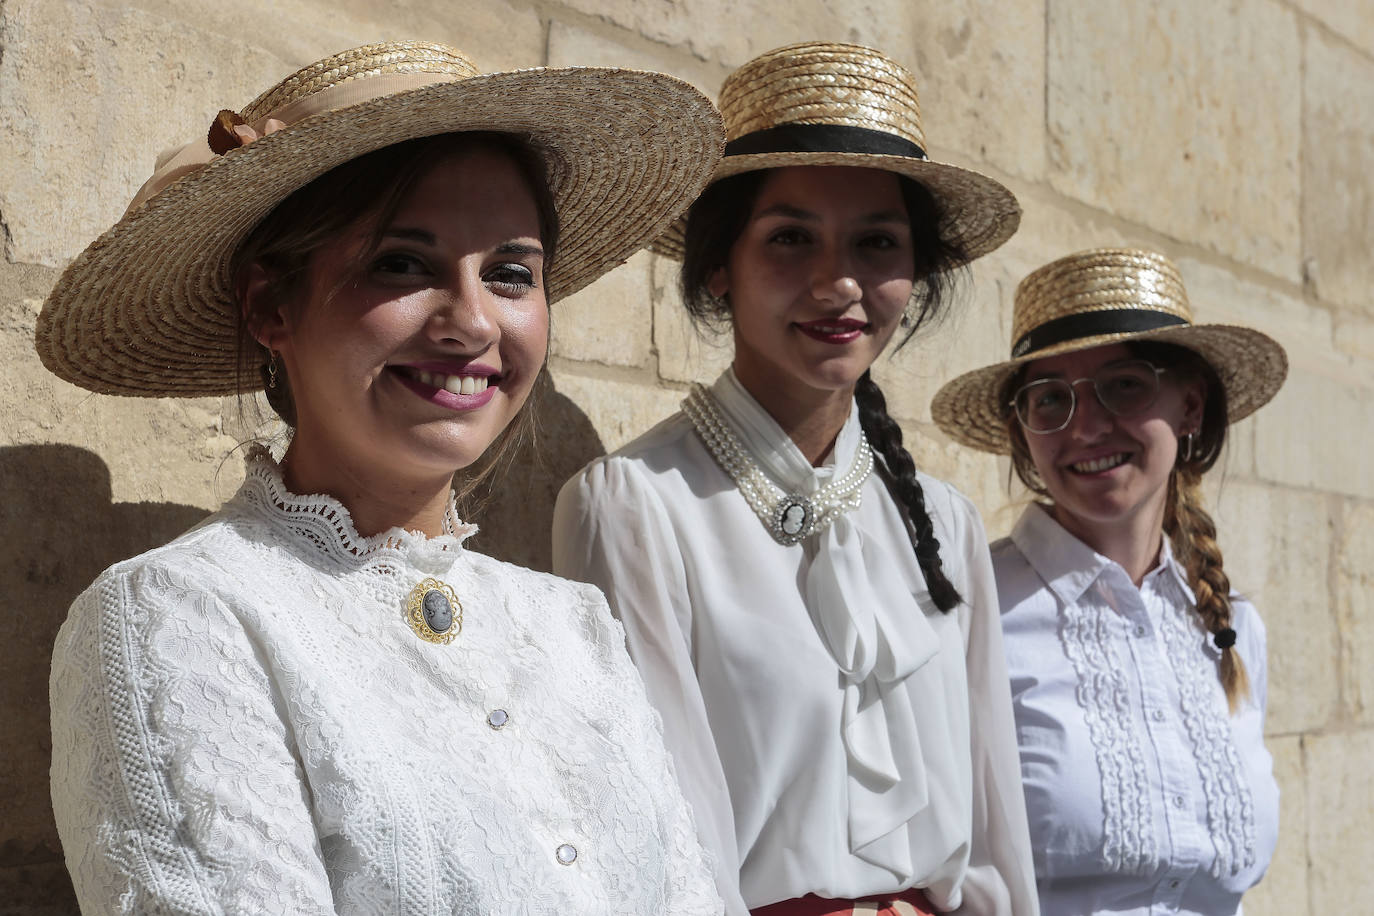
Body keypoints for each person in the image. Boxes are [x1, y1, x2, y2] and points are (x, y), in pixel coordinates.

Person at [39, 40, 728, 915]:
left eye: (511, 274)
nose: (474, 322)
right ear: (270, 305)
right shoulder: (177, 616)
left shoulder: (572, 629)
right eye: (403, 263)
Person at [553, 41, 1038, 916]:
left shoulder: (946, 524)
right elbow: (664, 845)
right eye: (790, 238)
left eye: (876, 242)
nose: (838, 280)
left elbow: (998, 839)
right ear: (717, 268)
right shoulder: (636, 509)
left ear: (913, 275)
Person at [930, 247, 1284, 914]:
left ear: (1190, 406)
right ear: (1022, 431)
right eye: (1051, 399)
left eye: (1125, 384)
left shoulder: (1234, 628)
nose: (1087, 426)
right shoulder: (973, 608)